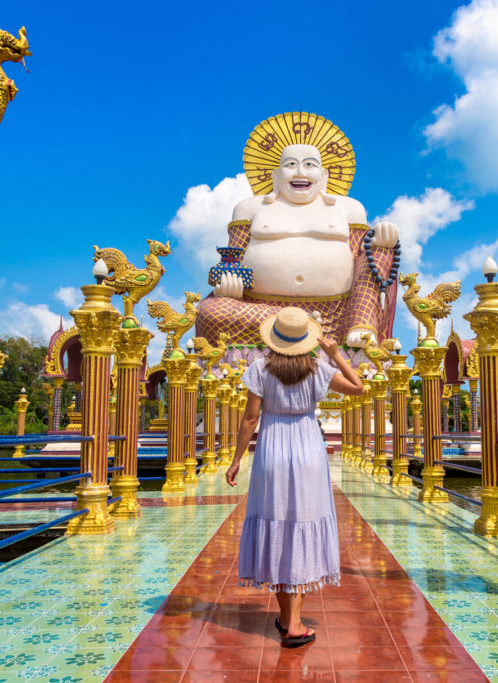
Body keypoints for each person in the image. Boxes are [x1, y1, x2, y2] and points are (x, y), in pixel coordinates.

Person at [195, 113, 400, 349]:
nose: (300, 172)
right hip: (260, 312)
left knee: (380, 252)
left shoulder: (349, 208)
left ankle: (360, 325)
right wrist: (228, 285)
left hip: (336, 315)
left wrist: (383, 239)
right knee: (210, 312)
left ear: (324, 176)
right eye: (291, 164)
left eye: (310, 165)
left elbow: (360, 259)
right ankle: (300, 325)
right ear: (275, 175)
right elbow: (232, 258)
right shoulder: (250, 207)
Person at [225, 307, 364, 647]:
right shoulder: (319, 369)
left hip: (271, 448)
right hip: (308, 451)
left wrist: (236, 459)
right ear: (306, 340)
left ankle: (288, 617)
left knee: (276, 525)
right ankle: (295, 623)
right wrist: (336, 354)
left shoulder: (258, 368)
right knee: (301, 525)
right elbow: (359, 388)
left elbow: (249, 418)